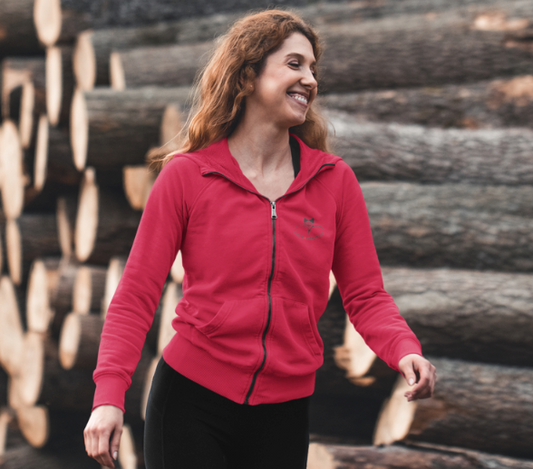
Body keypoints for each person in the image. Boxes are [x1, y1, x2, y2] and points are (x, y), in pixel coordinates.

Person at [84, 9, 436, 469]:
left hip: (283, 414)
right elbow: (136, 296)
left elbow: (366, 294)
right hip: (191, 401)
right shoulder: (188, 177)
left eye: (313, 69)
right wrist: (109, 395)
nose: (309, 79)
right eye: (294, 64)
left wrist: (403, 348)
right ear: (248, 75)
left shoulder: (333, 182)